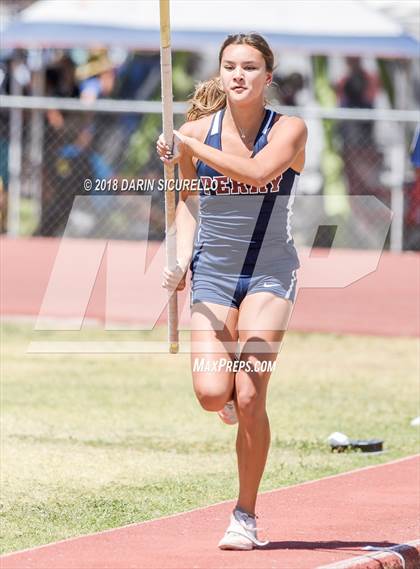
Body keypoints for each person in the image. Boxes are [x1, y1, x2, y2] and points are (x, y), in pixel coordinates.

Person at [157, 33, 307, 550]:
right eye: (229, 66)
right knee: (211, 393)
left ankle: (245, 514)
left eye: (249, 66)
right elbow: (191, 205)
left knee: (250, 392)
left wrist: (187, 145)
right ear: (220, 74)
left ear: (268, 77)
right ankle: (228, 400)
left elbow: (260, 172)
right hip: (216, 273)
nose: (238, 74)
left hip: (270, 272)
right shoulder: (197, 130)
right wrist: (178, 259)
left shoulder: (289, 130)